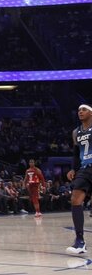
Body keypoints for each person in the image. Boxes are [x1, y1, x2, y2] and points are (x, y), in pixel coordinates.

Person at [67, 104, 92, 254]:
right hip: (85, 168)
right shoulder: (76, 132)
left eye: (83, 109)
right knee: (75, 199)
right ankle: (80, 241)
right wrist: (73, 169)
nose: (80, 112)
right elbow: (76, 153)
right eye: (78, 110)